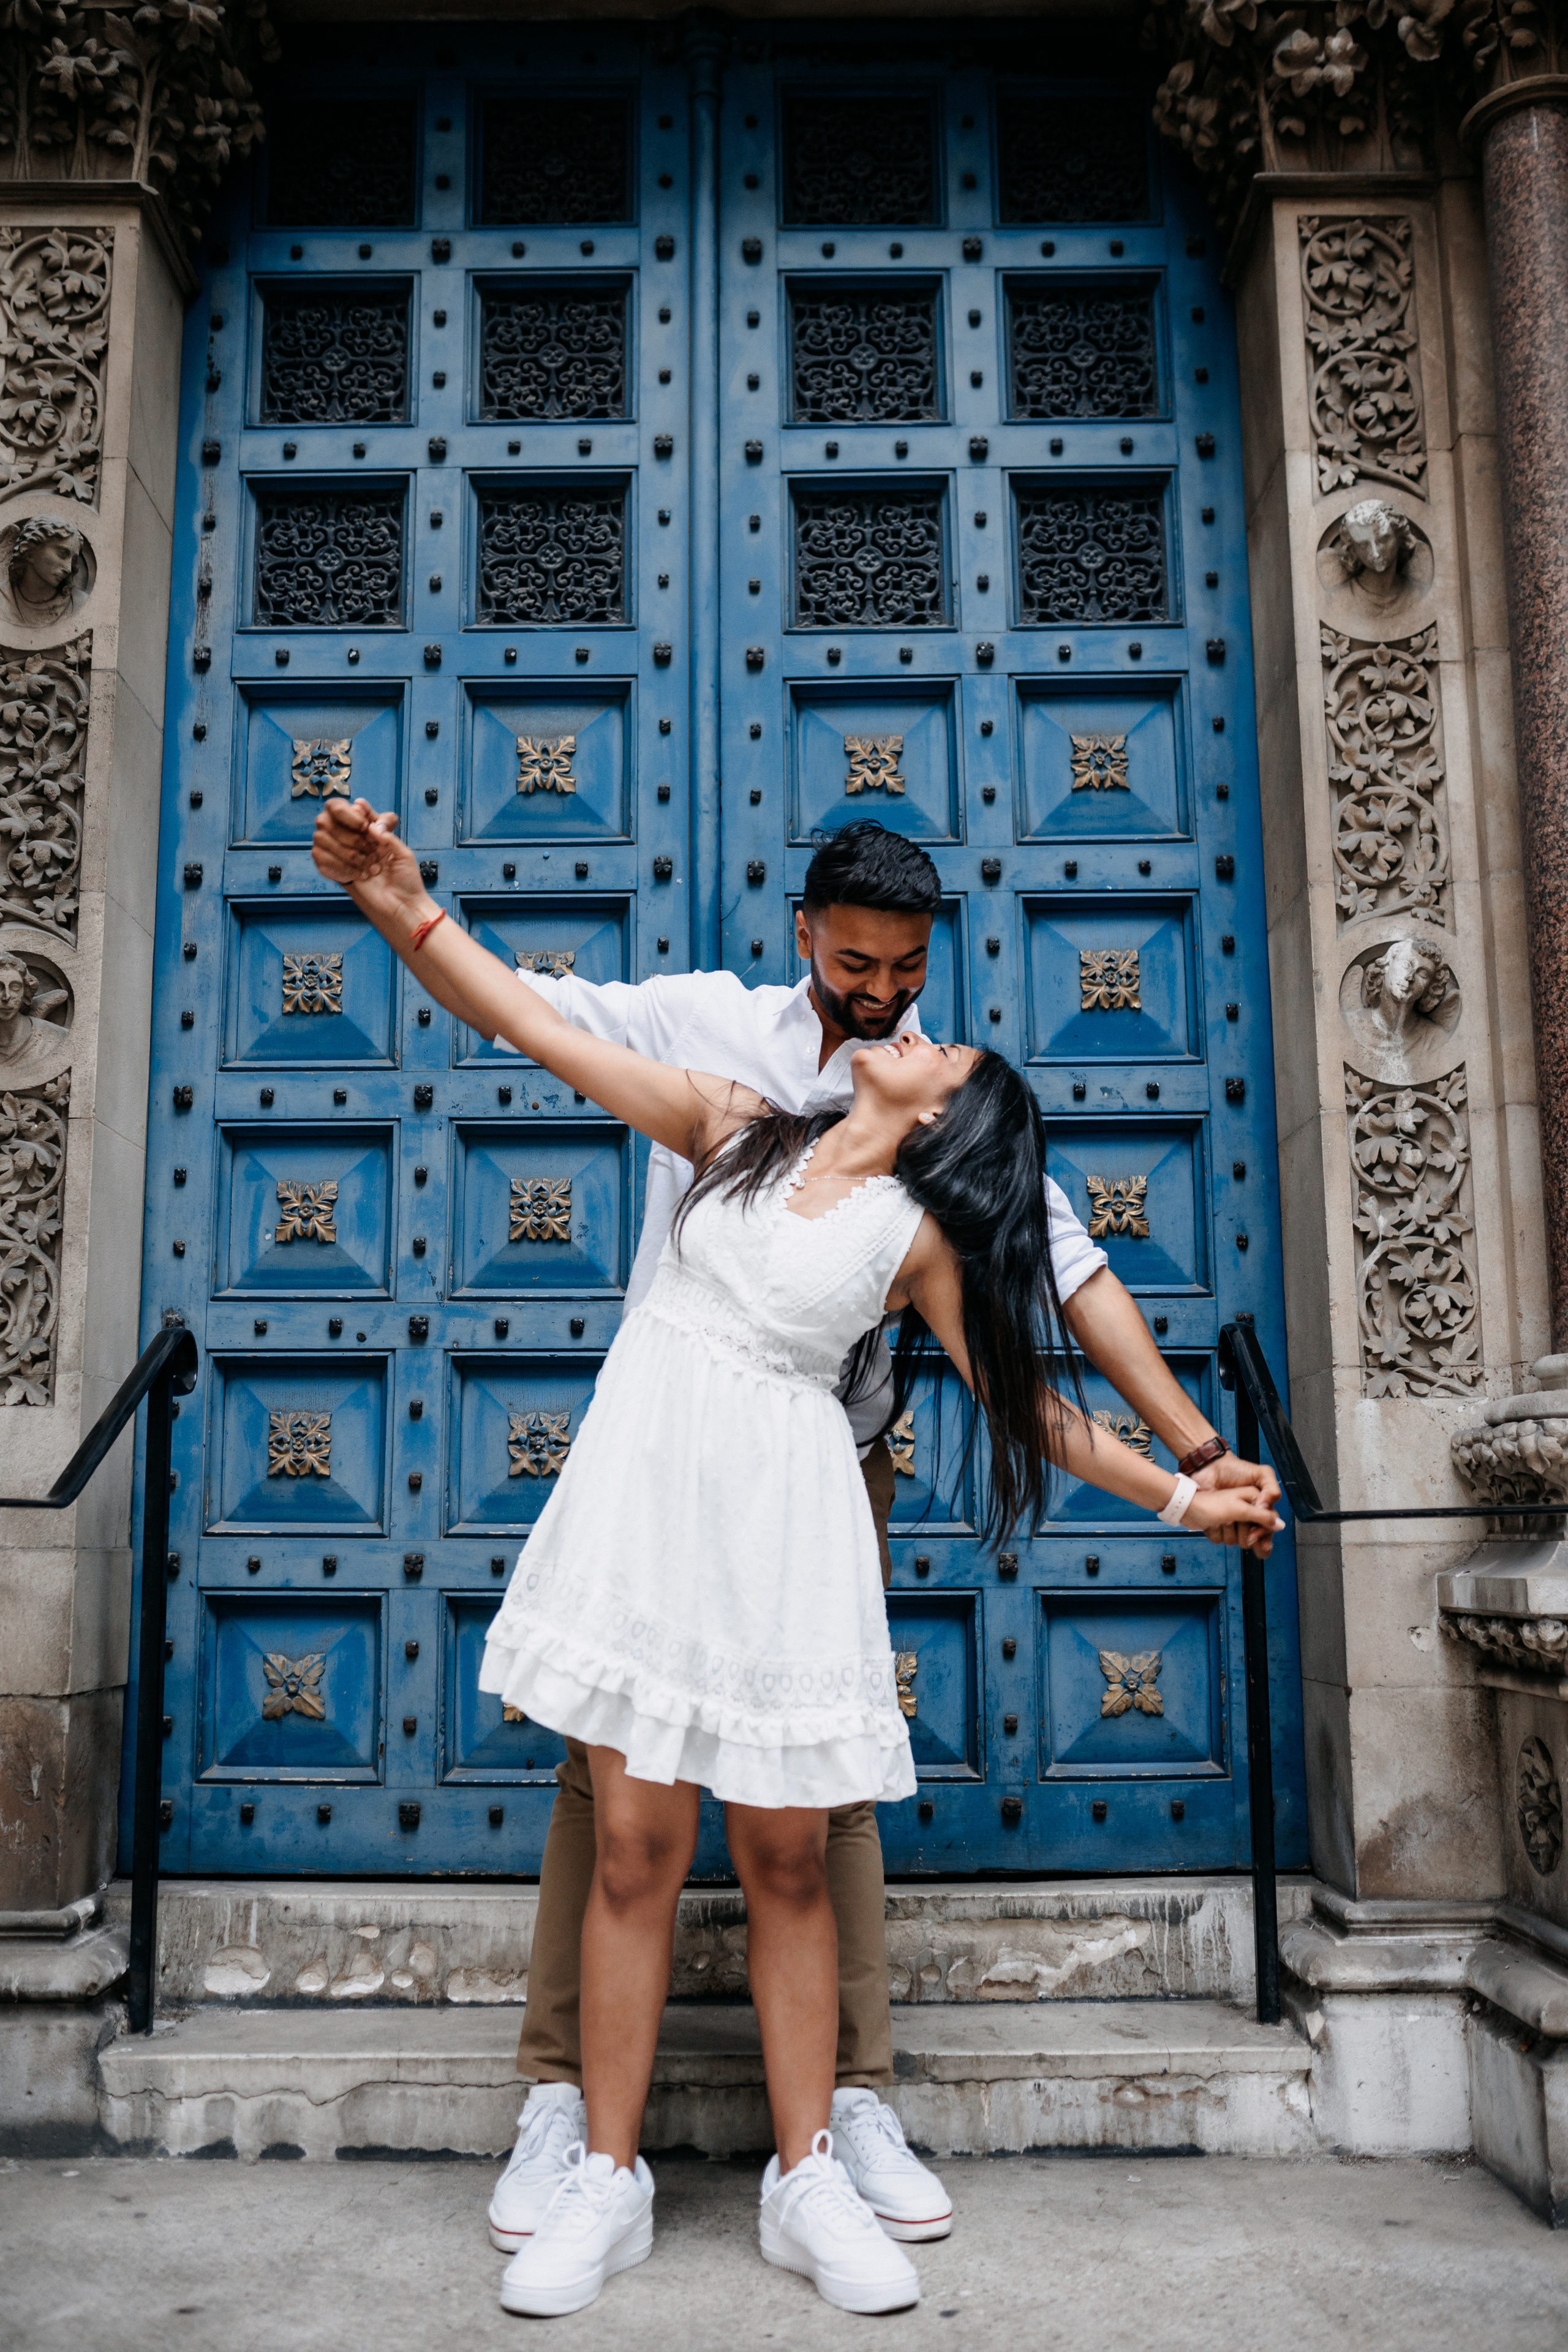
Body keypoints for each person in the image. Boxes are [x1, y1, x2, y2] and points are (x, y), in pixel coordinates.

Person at [312, 804, 1283, 2314]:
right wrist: (401, 907)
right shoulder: (725, 1106)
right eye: (864, 978)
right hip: (647, 1498)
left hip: (793, 1517)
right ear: (808, 944)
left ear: (950, 1112)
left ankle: (810, 2168)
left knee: (785, 1851)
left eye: (925, 1017)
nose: (899, 1017)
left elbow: (1033, 1385)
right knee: (631, 1844)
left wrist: (1182, 1478)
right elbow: (533, 1021)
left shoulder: (923, 1239)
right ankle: (602, 2171)